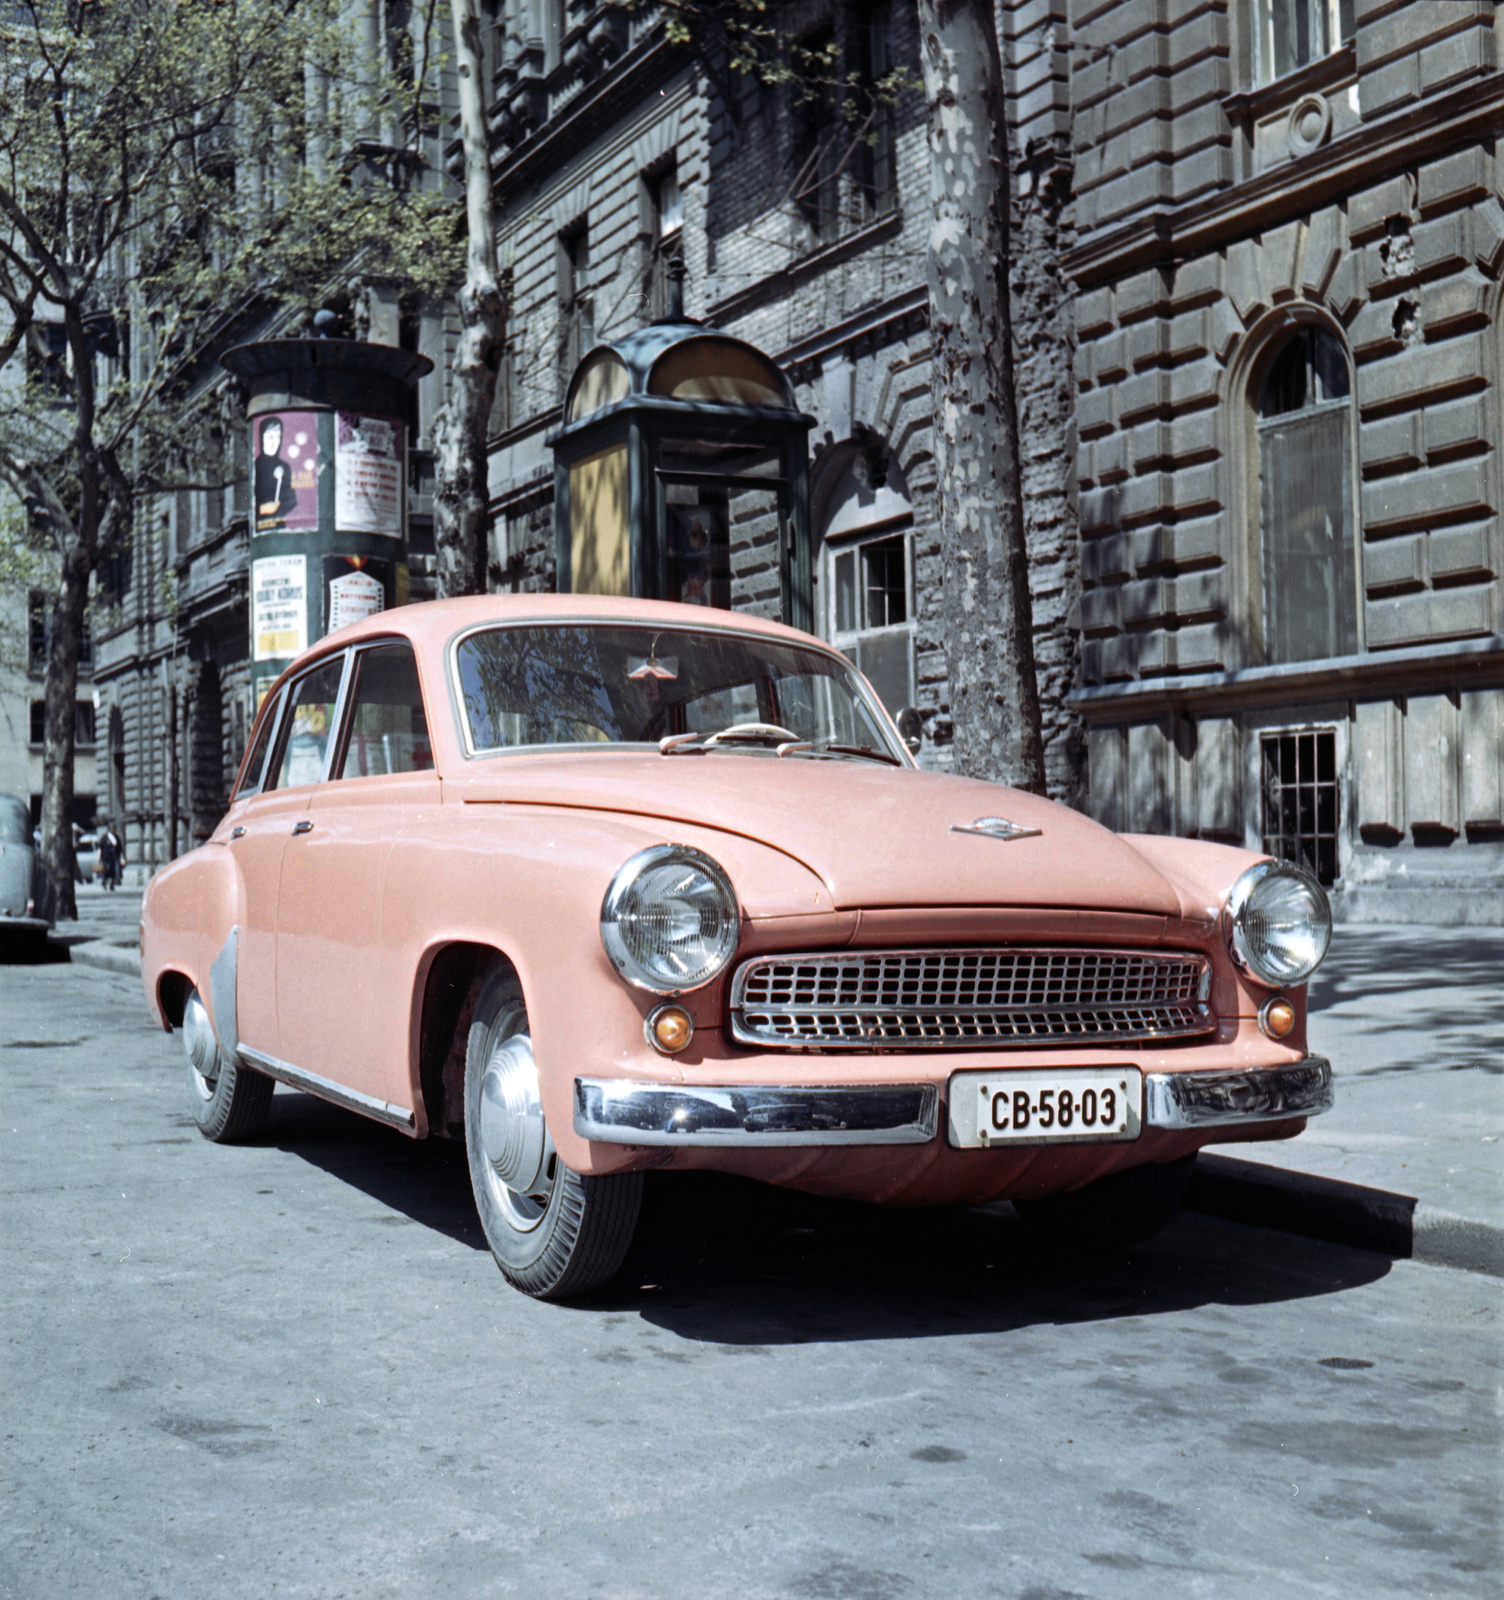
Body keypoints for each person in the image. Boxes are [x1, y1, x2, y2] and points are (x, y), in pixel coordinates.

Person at [254, 417, 300, 531]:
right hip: (260, 528)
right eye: (270, 437)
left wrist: (277, 510)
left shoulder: (284, 467)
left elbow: (291, 500)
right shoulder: (256, 467)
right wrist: (262, 509)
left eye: (277, 437)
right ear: (262, 438)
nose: (274, 442)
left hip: (278, 528)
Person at [100, 824, 123, 891]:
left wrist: (120, 855)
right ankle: (104, 882)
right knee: (106, 871)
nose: (113, 830)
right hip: (106, 857)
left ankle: (112, 885)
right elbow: (101, 846)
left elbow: (119, 847)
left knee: (114, 872)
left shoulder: (116, 837)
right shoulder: (105, 837)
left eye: (114, 828)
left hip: (114, 856)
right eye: (112, 828)